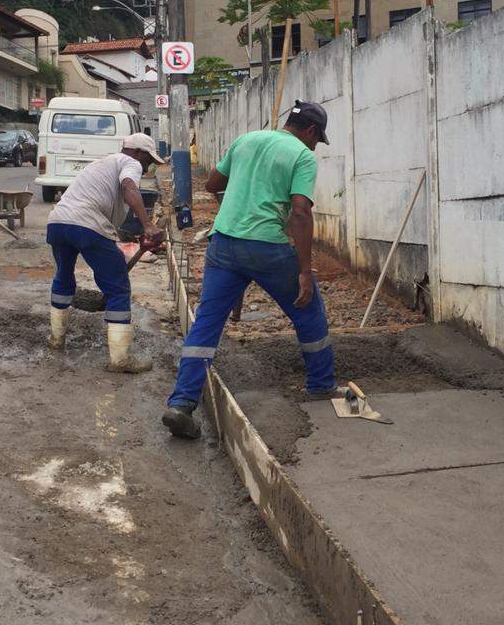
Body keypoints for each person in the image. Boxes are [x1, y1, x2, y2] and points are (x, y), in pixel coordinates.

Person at [162, 101, 341, 440]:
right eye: (317, 139)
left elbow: (213, 184)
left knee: (206, 325)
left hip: (224, 244)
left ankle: (181, 403)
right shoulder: (302, 156)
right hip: (268, 246)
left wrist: (240, 202)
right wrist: (305, 271)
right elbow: (301, 213)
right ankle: (321, 385)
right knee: (308, 311)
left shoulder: (246, 140)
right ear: (312, 132)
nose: (315, 146)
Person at [46, 132, 167, 373]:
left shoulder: (102, 163)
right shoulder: (130, 163)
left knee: (63, 278)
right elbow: (129, 188)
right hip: (87, 224)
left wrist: (138, 236)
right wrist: (148, 225)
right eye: (148, 160)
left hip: (58, 222)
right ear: (138, 153)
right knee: (118, 287)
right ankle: (120, 360)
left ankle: (57, 340)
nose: (148, 166)